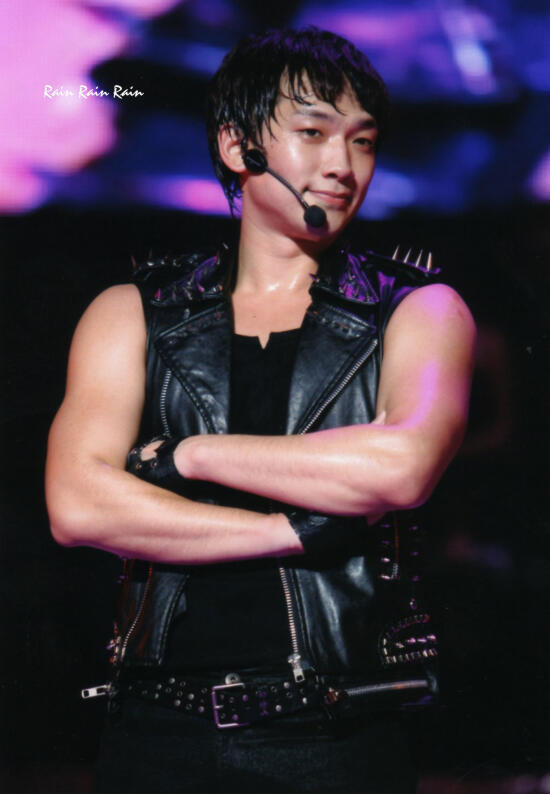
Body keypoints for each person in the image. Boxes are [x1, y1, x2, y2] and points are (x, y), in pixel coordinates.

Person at [45, 27, 475, 794]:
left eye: (363, 141)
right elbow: (78, 505)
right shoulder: (134, 311)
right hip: (157, 731)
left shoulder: (418, 309)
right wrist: (289, 531)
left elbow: (402, 467)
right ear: (238, 145)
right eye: (313, 133)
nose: (342, 165)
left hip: (337, 733)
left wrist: (187, 456)